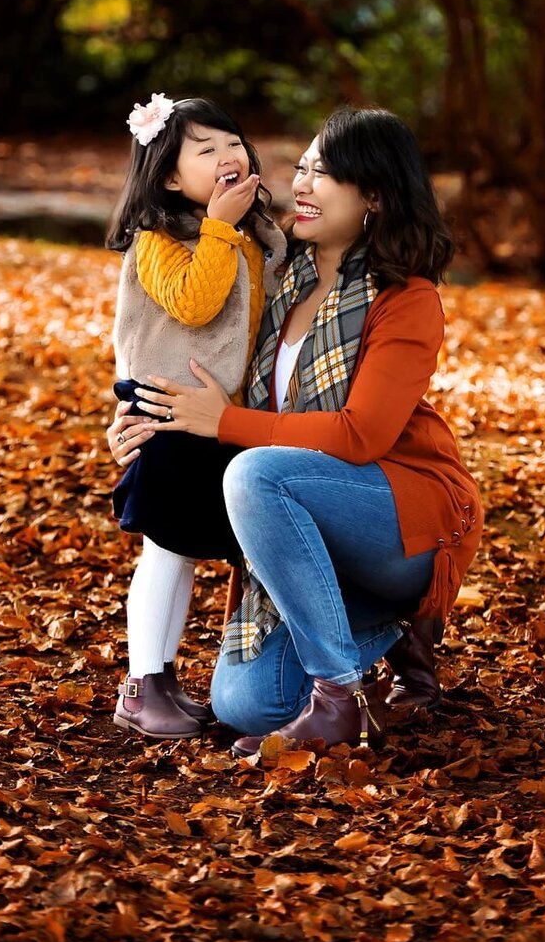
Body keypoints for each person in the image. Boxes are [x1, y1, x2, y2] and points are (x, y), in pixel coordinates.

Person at [111, 107, 482, 757]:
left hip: (404, 517)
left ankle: (341, 696)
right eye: (303, 167)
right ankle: (396, 632)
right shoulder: (280, 274)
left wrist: (222, 423)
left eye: (324, 173)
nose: (302, 184)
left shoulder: (406, 298)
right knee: (243, 703)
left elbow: (360, 434)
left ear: (374, 195)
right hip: (310, 521)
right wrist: (146, 413)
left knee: (255, 471)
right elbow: (196, 339)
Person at [106, 93, 286, 741]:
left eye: (232, 142)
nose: (227, 155)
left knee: (201, 545)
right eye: (205, 150)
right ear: (171, 177)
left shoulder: (256, 235)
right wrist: (218, 227)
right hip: (168, 412)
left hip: (219, 417)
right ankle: (141, 681)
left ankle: (176, 677)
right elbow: (194, 303)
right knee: (167, 547)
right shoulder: (159, 240)